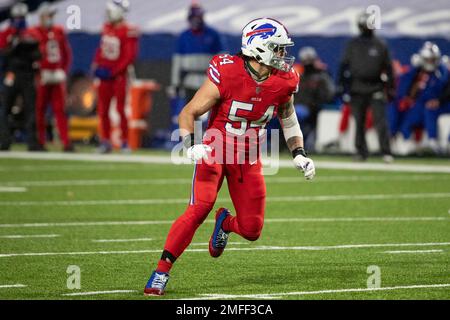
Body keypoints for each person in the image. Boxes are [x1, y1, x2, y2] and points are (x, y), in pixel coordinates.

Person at [144, 18, 316, 296]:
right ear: (260, 47)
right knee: (200, 208)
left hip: (248, 159)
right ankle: (161, 271)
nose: (284, 55)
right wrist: (190, 144)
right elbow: (188, 112)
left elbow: (287, 117)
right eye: (278, 48)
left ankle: (224, 222)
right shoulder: (228, 71)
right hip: (215, 151)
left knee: (251, 230)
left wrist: (299, 153)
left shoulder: (285, 80)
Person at [337, 12, 395, 162]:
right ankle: (361, 151)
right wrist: (342, 87)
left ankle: (386, 151)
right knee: (359, 122)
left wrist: (390, 87)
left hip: (376, 87)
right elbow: (344, 66)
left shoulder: (380, 44)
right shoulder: (353, 44)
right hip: (357, 88)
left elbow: (388, 68)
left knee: (380, 121)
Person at [92, 0, 139, 153]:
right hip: (105, 75)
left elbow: (129, 56)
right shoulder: (107, 28)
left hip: (118, 76)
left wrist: (113, 71)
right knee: (103, 110)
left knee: (120, 110)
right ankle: (105, 141)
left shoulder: (128, 30)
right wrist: (96, 64)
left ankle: (125, 141)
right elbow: (101, 49)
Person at [32, 2, 73, 152]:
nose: (50, 18)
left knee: (60, 110)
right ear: (42, 16)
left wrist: (64, 70)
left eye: (51, 15)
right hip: (42, 75)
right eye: (48, 15)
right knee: (40, 109)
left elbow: (66, 53)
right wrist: (37, 72)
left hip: (56, 74)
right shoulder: (34, 32)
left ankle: (66, 142)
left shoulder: (59, 31)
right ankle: (40, 141)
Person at [0, 2, 41, 151]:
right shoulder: (6, 33)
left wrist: (25, 46)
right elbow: (3, 53)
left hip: (27, 75)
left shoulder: (31, 33)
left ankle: (32, 142)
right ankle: (5, 140)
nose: (19, 20)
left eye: (21, 17)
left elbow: (38, 54)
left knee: (30, 108)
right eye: (17, 17)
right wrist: (14, 45)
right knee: (5, 108)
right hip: (11, 74)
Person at [394, 42, 449, 154]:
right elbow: (404, 90)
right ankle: (404, 141)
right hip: (420, 104)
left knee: (429, 110)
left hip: (441, 103)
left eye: (432, 60)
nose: (430, 62)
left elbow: (446, 88)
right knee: (408, 117)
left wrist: (439, 100)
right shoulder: (415, 72)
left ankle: (433, 142)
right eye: (428, 60)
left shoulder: (442, 71)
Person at [171, 2, 225, 104]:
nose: (196, 20)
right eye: (194, 17)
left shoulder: (213, 34)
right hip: (189, 82)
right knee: (190, 111)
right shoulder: (184, 36)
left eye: (199, 17)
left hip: (209, 81)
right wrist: (175, 83)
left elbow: (222, 58)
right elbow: (177, 62)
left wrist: (223, 80)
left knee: (208, 111)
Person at [294, 47, 335, 151]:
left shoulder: (321, 76)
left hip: (312, 108)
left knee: (298, 114)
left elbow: (329, 94)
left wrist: (316, 103)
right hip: (297, 106)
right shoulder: (298, 75)